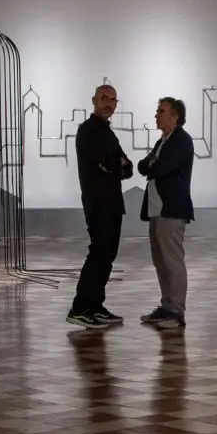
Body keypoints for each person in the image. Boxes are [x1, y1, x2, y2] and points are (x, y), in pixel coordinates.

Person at [69, 84, 133, 329]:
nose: (109, 102)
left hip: (113, 202)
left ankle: (95, 306)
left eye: (113, 99)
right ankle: (80, 308)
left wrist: (117, 164)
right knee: (99, 253)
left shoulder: (107, 132)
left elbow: (128, 167)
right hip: (98, 203)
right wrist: (117, 164)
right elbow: (106, 163)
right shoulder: (88, 130)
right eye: (104, 98)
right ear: (94, 100)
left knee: (107, 255)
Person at [138, 96, 194, 327]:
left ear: (174, 117)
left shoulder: (180, 140)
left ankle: (176, 311)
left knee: (172, 260)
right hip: (157, 209)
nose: (156, 115)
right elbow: (142, 166)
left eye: (161, 111)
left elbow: (160, 168)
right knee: (160, 260)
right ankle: (167, 306)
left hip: (171, 209)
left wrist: (152, 163)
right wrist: (150, 163)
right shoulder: (162, 141)